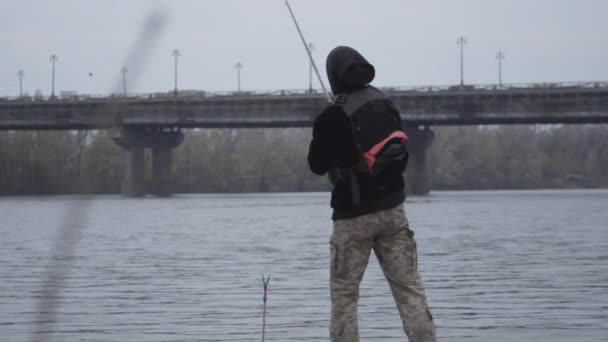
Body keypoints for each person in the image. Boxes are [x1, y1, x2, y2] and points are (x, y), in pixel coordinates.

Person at [307, 46, 437, 342]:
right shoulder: (385, 104)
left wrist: (327, 127)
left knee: (345, 299)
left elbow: (316, 165)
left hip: (352, 219)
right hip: (393, 213)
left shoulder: (332, 114)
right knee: (410, 292)